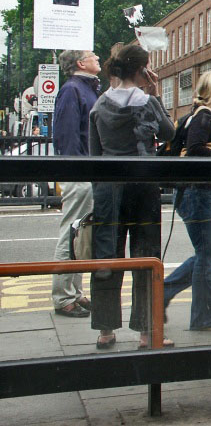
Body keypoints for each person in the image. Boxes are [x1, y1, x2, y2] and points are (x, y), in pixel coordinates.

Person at [89, 44, 175, 349]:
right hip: (143, 185)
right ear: (143, 70)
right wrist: (155, 92)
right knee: (146, 256)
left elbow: (93, 153)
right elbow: (168, 133)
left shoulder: (99, 105)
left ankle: (105, 330)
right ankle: (146, 331)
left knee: (107, 257)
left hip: (109, 188)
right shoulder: (147, 102)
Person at [163, 71, 211, 332]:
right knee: (208, 254)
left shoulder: (200, 115)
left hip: (195, 193)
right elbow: (195, 150)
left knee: (208, 253)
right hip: (197, 193)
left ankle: (163, 294)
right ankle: (203, 316)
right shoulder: (205, 117)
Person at [50, 49, 101, 318]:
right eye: (93, 56)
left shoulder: (84, 88)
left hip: (85, 170)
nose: (98, 59)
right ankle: (63, 297)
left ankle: (74, 293)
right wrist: (79, 169)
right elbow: (68, 134)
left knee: (79, 234)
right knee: (71, 233)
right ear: (81, 63)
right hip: (79, 171)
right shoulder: (73, 90)